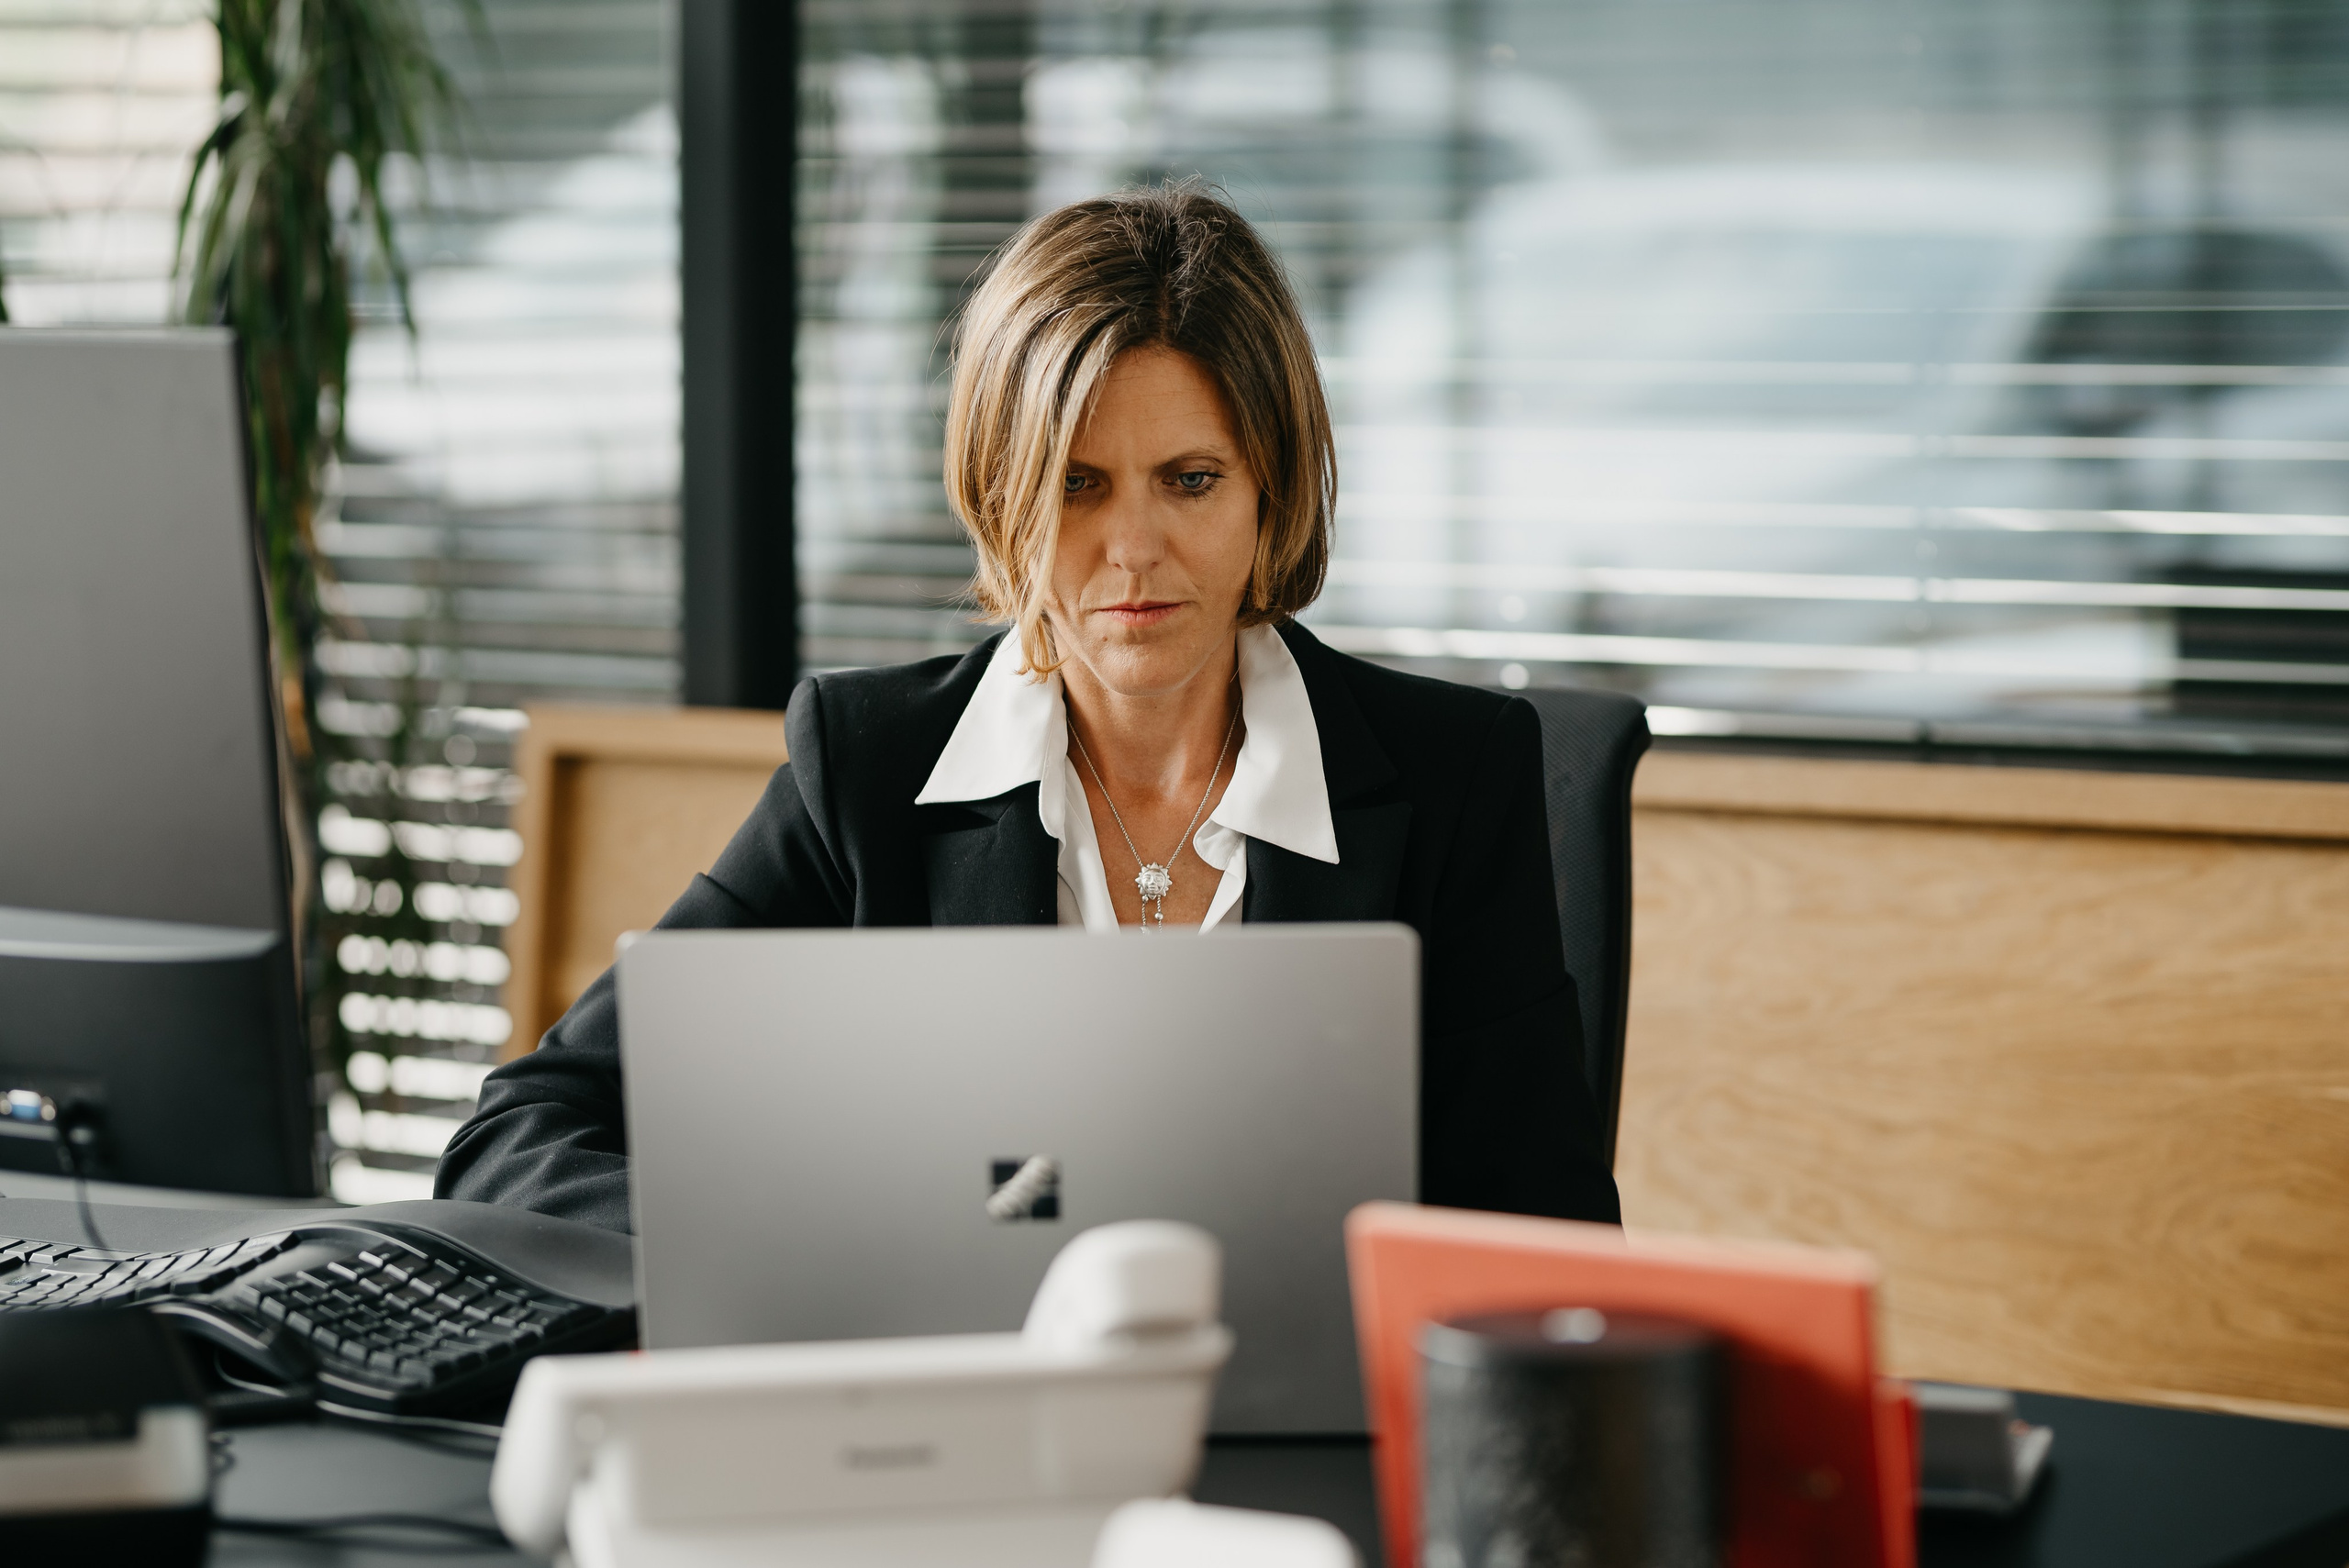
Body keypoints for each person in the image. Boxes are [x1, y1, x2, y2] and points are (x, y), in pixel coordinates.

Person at [436, 182, 1620, 1233]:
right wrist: (781, 1246)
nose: (1135, 548)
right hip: (952, 1428)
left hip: (1313, 1439)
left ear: (1272, 492)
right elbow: (525, 1134)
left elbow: (1543, 1235)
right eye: (1077, 485)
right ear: (1001, 496)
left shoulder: (1458, 775)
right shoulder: (868, 770)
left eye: (1191, 480)